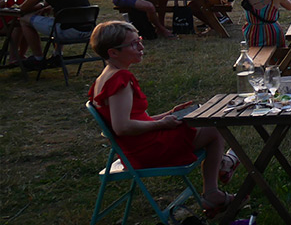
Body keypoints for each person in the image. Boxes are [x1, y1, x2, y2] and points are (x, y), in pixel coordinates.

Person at [87, 21, 236, 214]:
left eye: (139, 40)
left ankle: (223, 166)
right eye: (133, 44)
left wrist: (167, 115)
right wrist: (161, 124)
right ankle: (213, 189)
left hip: (137, 146)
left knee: (203, 121)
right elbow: (122, 127)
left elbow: (134, 118)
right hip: (145, 151)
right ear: (113, 52)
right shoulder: (120, 80)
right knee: (214, 127)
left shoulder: (105, 77)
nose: (141, 47)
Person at [18, 0, 93, 70]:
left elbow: (23, 7)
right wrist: (49, 7)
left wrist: (42, 6)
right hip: (88, 30)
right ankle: (57, 55)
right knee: (59, 18)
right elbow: (67, 3)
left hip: (67, 31)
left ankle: (38, 58)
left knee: (24, 19)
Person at [1, 0, 33, 67]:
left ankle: (21, 54)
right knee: (18, 26)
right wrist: (4, 2)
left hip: (18, 16)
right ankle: (13, 57)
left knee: (27, 24)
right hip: (3, 19)